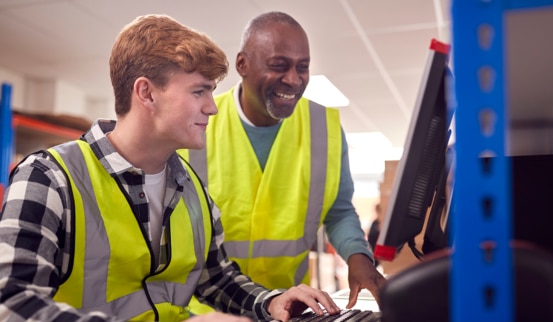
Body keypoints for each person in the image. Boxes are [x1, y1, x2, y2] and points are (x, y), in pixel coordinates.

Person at [0, 14, 342, 322]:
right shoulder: (49, 178)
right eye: (199, 92)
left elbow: (216, 278)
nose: (212, 108)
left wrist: (271, 301)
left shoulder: (192, 188)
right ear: (147, 94)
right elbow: (11, 303)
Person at [181, 11, 387, 309]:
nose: (293, 79)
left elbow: (338, 210)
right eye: (279, 65)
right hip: (209, 310)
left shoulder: (324, 128)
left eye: (302, 67)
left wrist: (359, 258)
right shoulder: (199, 124)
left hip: (289, 307)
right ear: (243, 64)